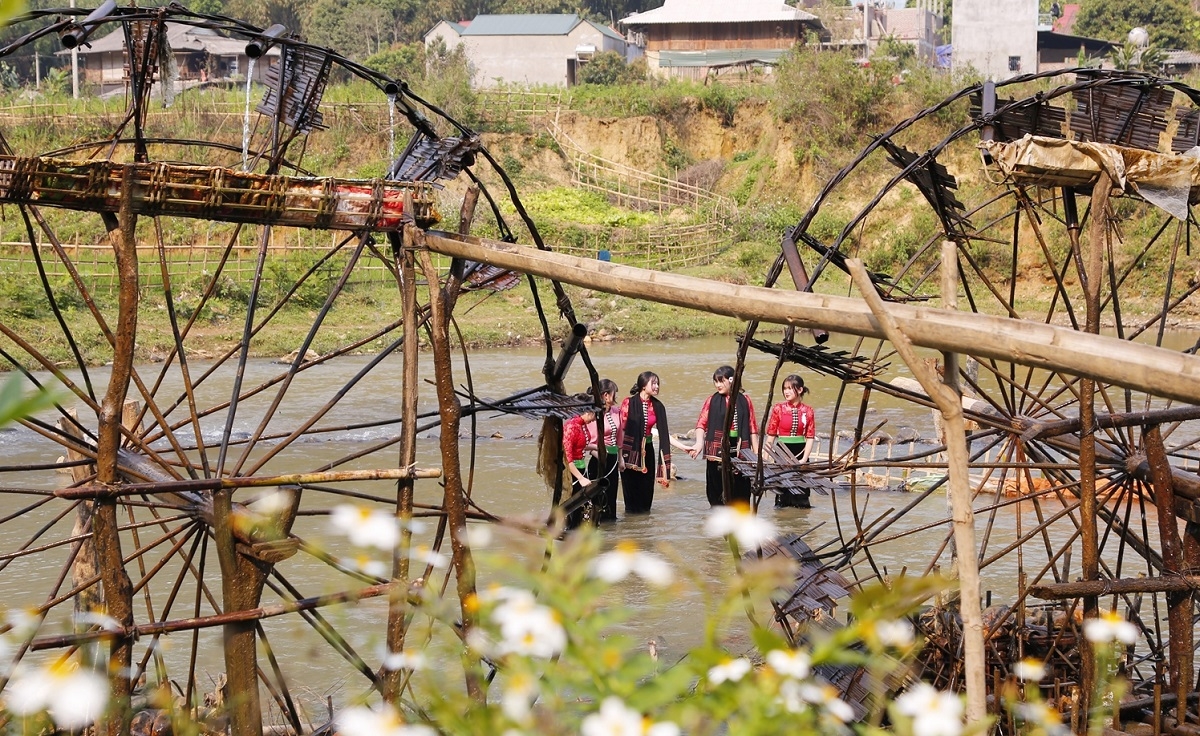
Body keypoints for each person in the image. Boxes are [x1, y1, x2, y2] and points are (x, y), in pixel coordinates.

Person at [686, 365, 758, 507]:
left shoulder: (745, 400)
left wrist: (756, 454)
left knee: (741, 490)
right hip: (717, 449)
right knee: (717, 490)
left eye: (721, 381)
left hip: (739, 449)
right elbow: (701, 424)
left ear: (732, 380)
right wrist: (699, 443)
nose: (717, 385)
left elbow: (752, 428)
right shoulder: (711, 400)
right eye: (716, 381)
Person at [616, 371, 672, 514]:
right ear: (643, 385)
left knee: (647, 494)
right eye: (653, 383)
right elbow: (621, 430)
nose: (657, 386)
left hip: (648, 450)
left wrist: (686, 447)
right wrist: (620, 456)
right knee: (631, 495)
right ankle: (631, 525)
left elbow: (664, 434)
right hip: (630, 452)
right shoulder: (628, 402)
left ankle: (645, 527)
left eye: (658, 383)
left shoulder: (658, 406)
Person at [764, 374, 816, 508]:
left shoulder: (808, 411)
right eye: (784, 388)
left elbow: (810, 437)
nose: (786, 392)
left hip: (800, 450)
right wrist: (765, 457)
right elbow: (771, 435)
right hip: (781, 451)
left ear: (799, 390)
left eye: (789, 388)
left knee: (801, 492)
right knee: (782, 490)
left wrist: (804, 459)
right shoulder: (778, 409)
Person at [587, 379, 621, 521]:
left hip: (613, 460)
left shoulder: (616, 411)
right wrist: (601, 456)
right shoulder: (592, 414)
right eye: (615, 393)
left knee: (612, 495)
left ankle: (611, 526)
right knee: (598, 496)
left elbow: (620, 437)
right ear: (606, 395)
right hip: (598, 459)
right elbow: (588, 441)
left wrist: (621, 459)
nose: (617, 396)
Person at [563, 399, 599, 528]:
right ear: (588, 412)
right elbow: (568, 459)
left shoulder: (582, 424)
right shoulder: (571, 427)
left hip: (581, 468)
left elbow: (579, 446)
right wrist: (580, 478)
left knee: (581, 507)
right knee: (574, 507)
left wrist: (594, 447)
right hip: (572, 473)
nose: (594, 419)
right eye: (594, 414)